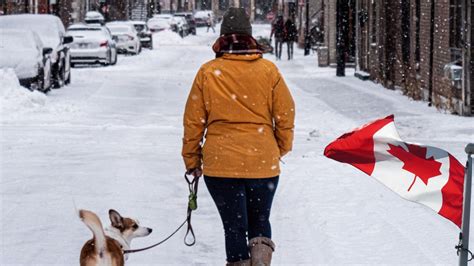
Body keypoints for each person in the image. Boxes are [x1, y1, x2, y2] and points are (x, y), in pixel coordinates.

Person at [182, 7, 295, 266]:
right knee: (260, 221)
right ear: (250, 36)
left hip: (221, 164)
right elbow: (286, 114)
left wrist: (192, 159)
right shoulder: (269, 71)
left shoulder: (208, 72)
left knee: (233, 226)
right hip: (263, 162)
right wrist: (280, 148)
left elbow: (193, 122)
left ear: (223, 37)